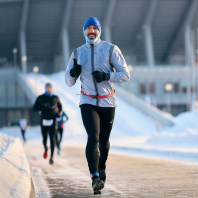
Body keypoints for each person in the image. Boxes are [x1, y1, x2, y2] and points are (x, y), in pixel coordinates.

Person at [65, 17, 130, 194]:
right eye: (88, 28)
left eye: (94, 28)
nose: (91, 31)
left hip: (108, 101)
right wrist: (73, 73)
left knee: (104, 141)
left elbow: (125, 75)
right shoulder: (77, 53)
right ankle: (95, 177)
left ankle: (101, 167)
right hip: (87, 101)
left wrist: (107, 76)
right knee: (93, 136)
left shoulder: (110, 49)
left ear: (99, 31)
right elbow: (68, 81)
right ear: (84, 31)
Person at [33, 82, 62, 165]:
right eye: (47, 88)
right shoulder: (40, 98)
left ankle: (51, 157)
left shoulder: (55, 98)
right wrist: (42, 107)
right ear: (45, 88)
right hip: (44, 121)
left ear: (51, 89)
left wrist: (59, 113)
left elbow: (60, 105)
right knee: (45, 139)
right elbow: (34, 108)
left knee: (52, 139)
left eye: (50, 88)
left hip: (53, 121)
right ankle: (46, 148)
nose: (48, 89)